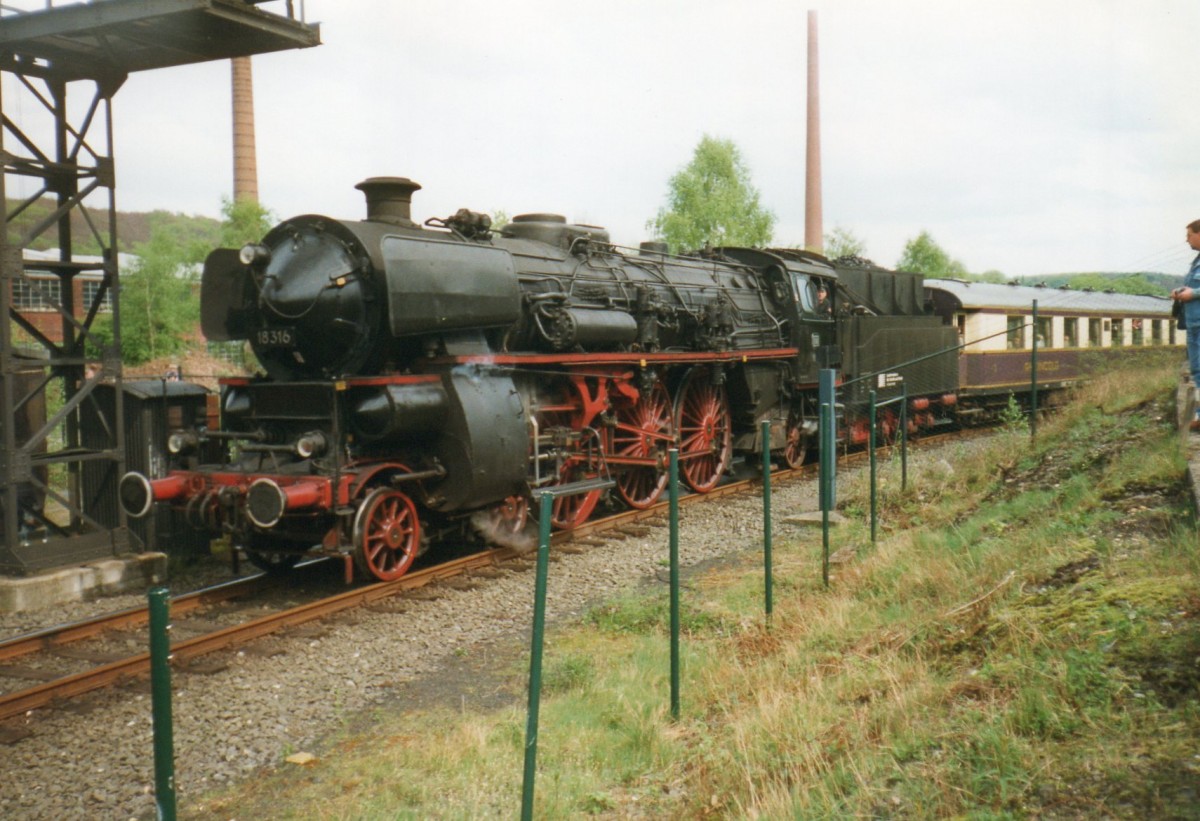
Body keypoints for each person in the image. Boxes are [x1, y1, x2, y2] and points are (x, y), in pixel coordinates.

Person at [1170, 219, 1200, 429]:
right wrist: (1182, 290)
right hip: (1193, 324)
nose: (1186, 240)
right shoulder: (1196, 262)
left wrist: (1195, 293)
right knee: (1197, 370)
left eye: (1189, 235)